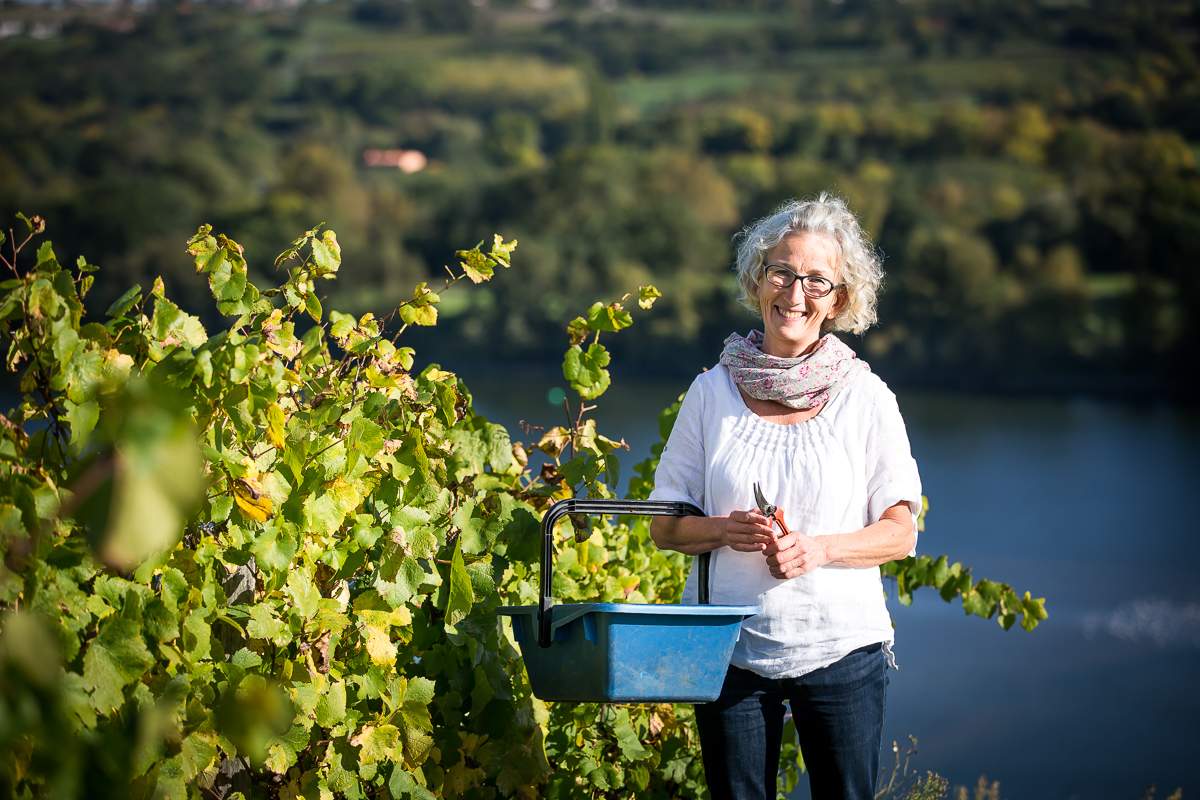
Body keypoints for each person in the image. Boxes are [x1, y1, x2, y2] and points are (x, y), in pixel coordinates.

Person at [648, 194, 922, 800]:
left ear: (840, 300)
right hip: (730, 652)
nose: (794, 293)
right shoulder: (711, 392)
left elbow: (900, 533)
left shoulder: (867, 397)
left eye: (816, 280)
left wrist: (819, 549)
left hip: (843, 650)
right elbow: (664, 525)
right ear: (757, 280)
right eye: (782, 272)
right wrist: (724, 530)